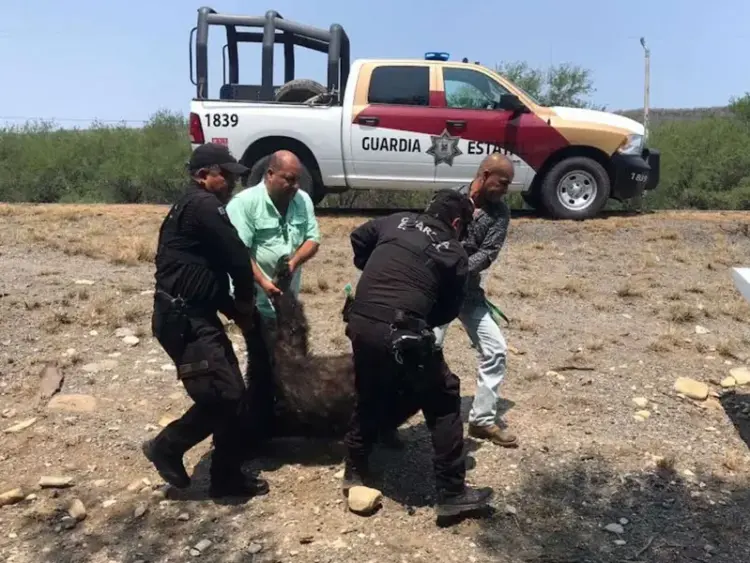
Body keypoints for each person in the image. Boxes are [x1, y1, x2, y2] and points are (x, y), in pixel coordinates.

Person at [342, 189, 494, 519]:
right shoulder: (453, 252)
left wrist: (372, 268)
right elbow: (447, 311)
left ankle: (355, 470)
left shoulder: (395, 221)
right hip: (402, 331)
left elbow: (358, 237)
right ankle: (452, 492)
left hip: (361, 321)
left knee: (369, 389)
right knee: (444, 395)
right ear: (456, 222)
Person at [141, 142, 269, 499]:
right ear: (203, 176)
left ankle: (225, 478)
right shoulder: (203, 205)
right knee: (225, 397)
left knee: (232, 395)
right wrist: (244, 305)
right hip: (184, 320)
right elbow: (238, 260)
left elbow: (202, 275)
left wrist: (229, 308)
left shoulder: (193, 207)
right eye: (224, 175)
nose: (231, 182)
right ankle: (166, 447)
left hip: (192, 315)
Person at [226, 150, 321, 440]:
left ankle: (286, 417)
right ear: (270, 174)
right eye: (288, 180)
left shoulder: (301, 200)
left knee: (291, 359)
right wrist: (265, 284)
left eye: (297, 181)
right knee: (263, 362)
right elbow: (239, 252)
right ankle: (257, 428)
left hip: (285, 298)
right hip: (254, 299)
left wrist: (294, 262)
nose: (294, 186)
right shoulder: (245, 204)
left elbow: (313, 239)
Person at [433, 153, 517, 447]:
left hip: (467, 291)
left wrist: (458, 267)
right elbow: (429, 237)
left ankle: (482, 420)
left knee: (496, 349)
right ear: (484, 175)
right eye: (502, 182)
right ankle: (396, 417)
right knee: (424, 348)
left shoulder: (500, 214)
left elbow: (488, 253)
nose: (505, 189)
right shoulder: (450, 199)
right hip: (437, 289)